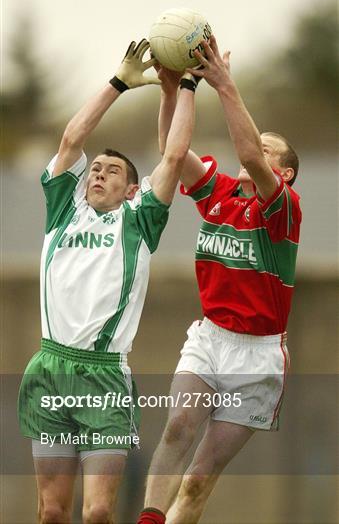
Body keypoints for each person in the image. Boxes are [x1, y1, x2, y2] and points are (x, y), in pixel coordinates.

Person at [18, 39, 198, 524]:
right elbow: (71, 139)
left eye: (112, 170)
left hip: (104, 376)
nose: (98, 173)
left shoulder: (138, 221)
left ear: (132, 188)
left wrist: (186, 83)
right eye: (95, 169)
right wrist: (118, 82)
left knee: (98, 512)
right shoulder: (62, 211)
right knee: (52, 513)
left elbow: (176, 155)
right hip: (50, 369)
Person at [137, 35, 301, 524]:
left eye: (270, 149)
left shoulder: (284, 211)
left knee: (198, 480)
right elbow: (171, 149)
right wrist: (172, 90)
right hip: (210, 338)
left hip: (258, 355)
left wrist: (225, 86)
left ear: (286, 174)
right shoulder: (220, 193)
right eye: (259, 141)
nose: (254, 148)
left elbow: (250, 154)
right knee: (176, 429)